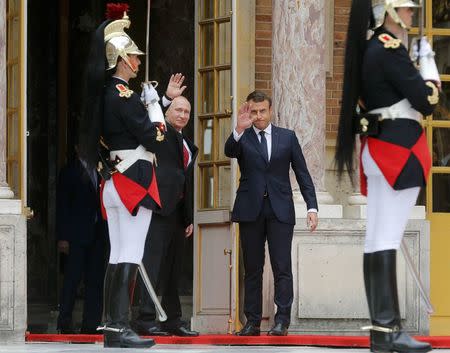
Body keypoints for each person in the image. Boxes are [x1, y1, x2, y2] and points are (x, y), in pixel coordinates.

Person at [334, 1, 439, 352]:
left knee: (377, 238)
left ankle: (383, 330)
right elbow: (427, 101)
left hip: (378, 150)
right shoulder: (389, 48)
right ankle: (388, 329)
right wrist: (428, 62)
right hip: (399, 151)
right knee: (386, 238)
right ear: (390, 11)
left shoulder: (369, 49)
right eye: (407, 9)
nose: (412, 15)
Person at [77, 4, 184, 348]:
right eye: (134, 57)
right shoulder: (123, 95)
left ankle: (111, 326)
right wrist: (155, 107)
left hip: (114, 180)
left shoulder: (107, 95)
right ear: (122, 59)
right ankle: (120, 325)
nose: (138, 62)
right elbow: (155, 137)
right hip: (133, 181)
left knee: (117, 253)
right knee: (131, 253)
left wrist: (153, 103)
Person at [224, 91, 319, 336]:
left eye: (262, 111)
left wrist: (311, 206)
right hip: (250, 210)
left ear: (270, 110)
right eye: (254, 112)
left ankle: (281, 321)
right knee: (252, 268)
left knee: (281, 266)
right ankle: (252, 322)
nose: (258, 116)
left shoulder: (287, 137)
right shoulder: (242, 137)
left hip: (280, 210)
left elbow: (302, 173)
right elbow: (228, 151)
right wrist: (238, 128)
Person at [132, 96, 199, 337]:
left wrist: (188, 217)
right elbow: (148, 116)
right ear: (167, 113)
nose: (182, 115)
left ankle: (173, 320)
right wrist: (164, 99)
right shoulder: (160, 135)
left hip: (178, 215)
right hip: (157, 209)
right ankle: (146, 318)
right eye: (178, 110)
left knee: (174, 270)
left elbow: (187, 182)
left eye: (187, 112)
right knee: (152, 266)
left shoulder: (187, 144)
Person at [56, 148, 108, 334]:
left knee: (95, 281)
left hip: (97, 235)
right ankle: (64, 322)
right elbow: (62, 205)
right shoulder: (69, 170)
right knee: (72, 279)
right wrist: (63, 237)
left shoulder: (102, 169)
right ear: (78, 148)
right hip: (76, 236)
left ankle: (91, 324)